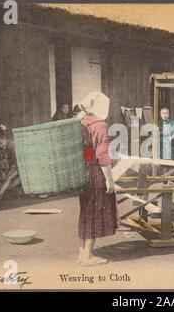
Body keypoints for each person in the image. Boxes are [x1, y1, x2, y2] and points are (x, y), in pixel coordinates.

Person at [76, 91, 117, 266]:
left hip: (83, 173)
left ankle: (82, 254)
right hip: (95, 175)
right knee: (95, 213)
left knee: (85, 213)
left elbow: (88, 152)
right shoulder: (100, 125)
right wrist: (109, 179)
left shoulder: (83, 122)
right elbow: (102, 155)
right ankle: (88, 256)